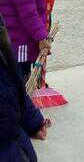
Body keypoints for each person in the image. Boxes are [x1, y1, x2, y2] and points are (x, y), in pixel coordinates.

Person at [0, 15, 50, 162]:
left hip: (14, 145)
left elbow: (13, 82)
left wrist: (32, 120)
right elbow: (27, 11)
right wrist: (40, 36)